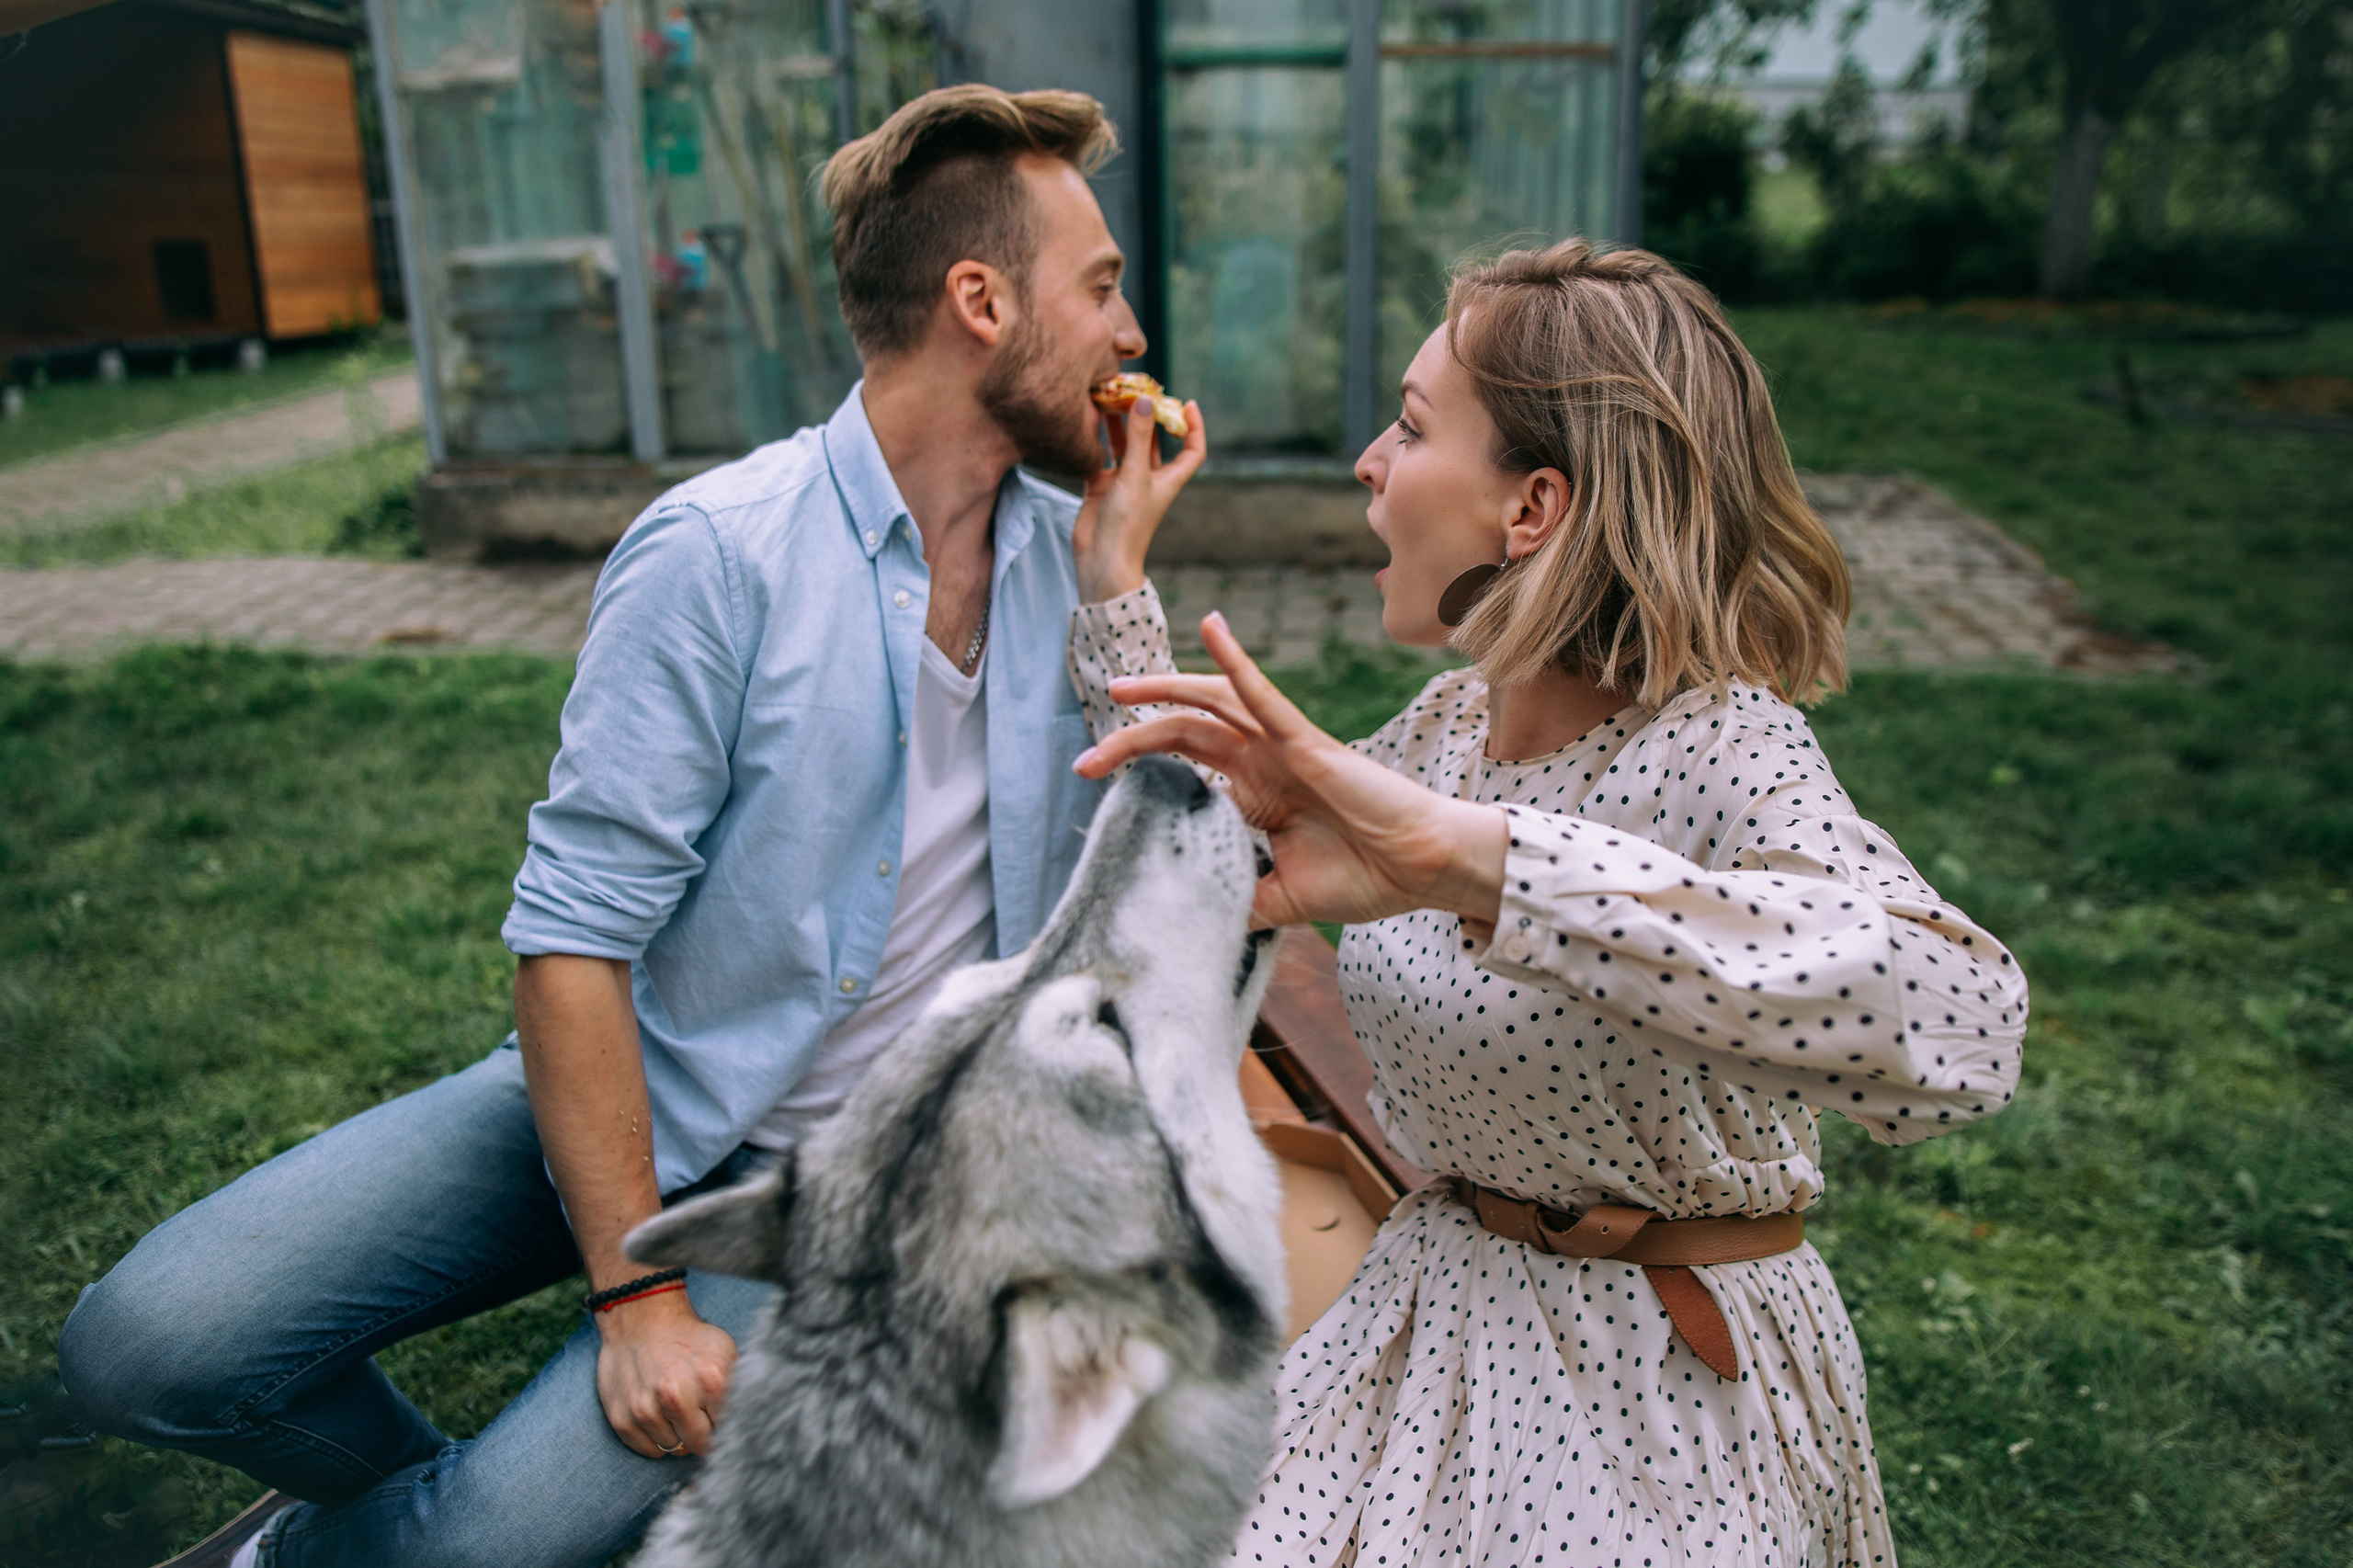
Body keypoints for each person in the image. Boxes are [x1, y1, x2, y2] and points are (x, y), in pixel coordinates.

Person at [57, 84, 1204, 1568]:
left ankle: (347, 1549)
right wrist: (632, 1299)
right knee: (144, 1347)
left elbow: (1167, 890)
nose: (1131, 337)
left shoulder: (1081, 566)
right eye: (1102, 287)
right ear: (979, 302)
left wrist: (1121, 582)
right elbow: (572, 943)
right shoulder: (720, 556)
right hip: (630, 1091)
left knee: (481, 1547)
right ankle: (404, 1524)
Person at [1073, 239, 2029, 1565]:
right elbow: (1218, 858)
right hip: (1439, 1324)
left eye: (1410, 426)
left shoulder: (1719, 747)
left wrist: (1495, 869)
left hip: (1654, 1401)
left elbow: (1967, 1032)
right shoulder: (1457, 727)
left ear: (1531, 511)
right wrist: (1117, 578)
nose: (1369, 459)